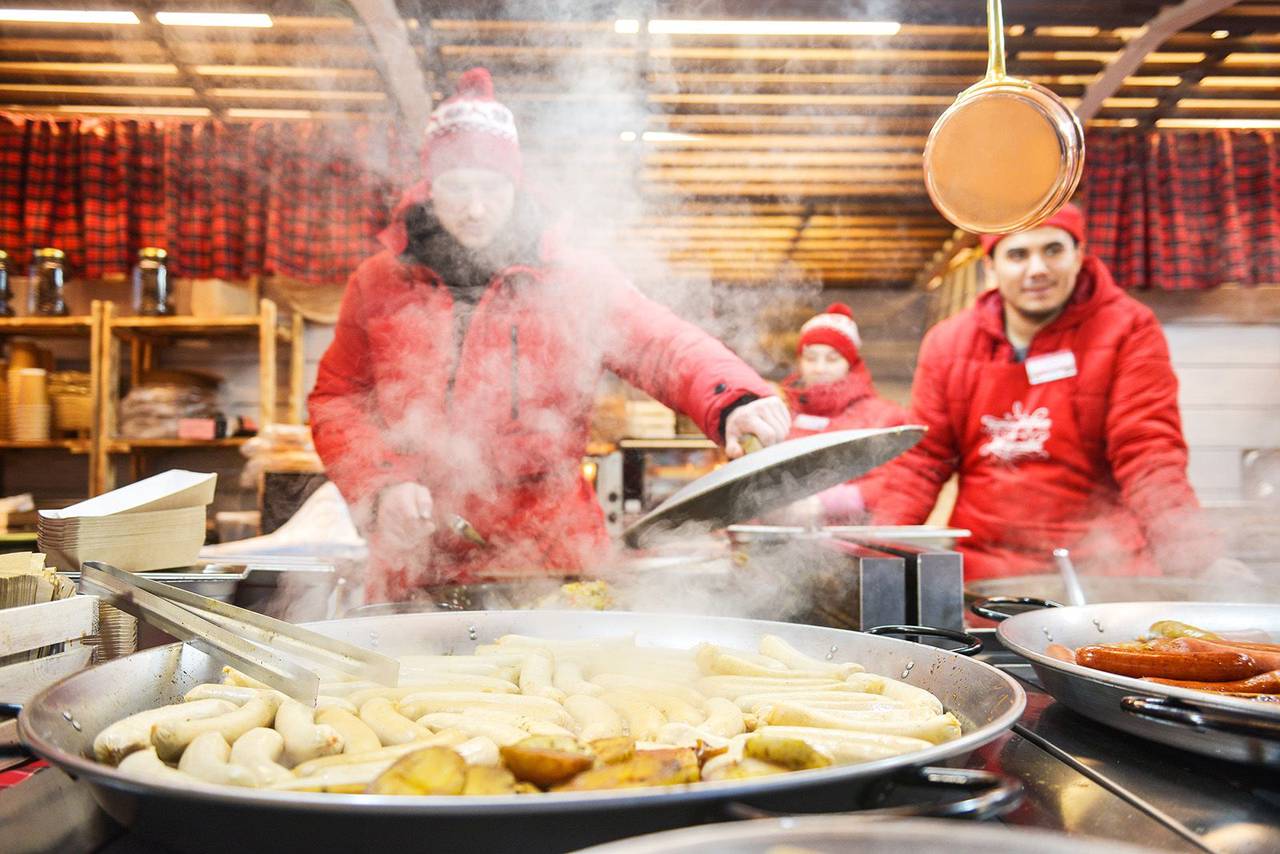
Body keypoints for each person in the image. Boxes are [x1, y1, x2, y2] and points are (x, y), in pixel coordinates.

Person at [308, 68, 791, 601]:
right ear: (429, 187)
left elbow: (661, 345)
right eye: (457, 187)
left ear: (515, 185)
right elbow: (337, 399)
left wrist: (734, 400)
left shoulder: (573, 277)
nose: (474, 208)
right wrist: (381, 485)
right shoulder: (379, 282)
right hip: (417, 563)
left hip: (551, 558)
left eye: (491, 187)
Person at [868, 203, 1229, 580]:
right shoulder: (948, 343)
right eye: (1018, 254)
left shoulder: (1129, 329)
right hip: (984, 570)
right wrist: (875, 558)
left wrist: (1195, 558)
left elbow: (1147, 454)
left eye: (1053, 250)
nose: (1037, 269)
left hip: (1105, 569)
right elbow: (922, 463)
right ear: (990, 267)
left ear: (1079, 255)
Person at [779, 303, 908, 524]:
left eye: (832, 359)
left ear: (850, 363)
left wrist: (829, 502)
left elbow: (898, 483)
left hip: (854, 538)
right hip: (778, 538)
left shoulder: (884, 417)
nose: (819, 368)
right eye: (810, 358)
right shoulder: (783, 414)